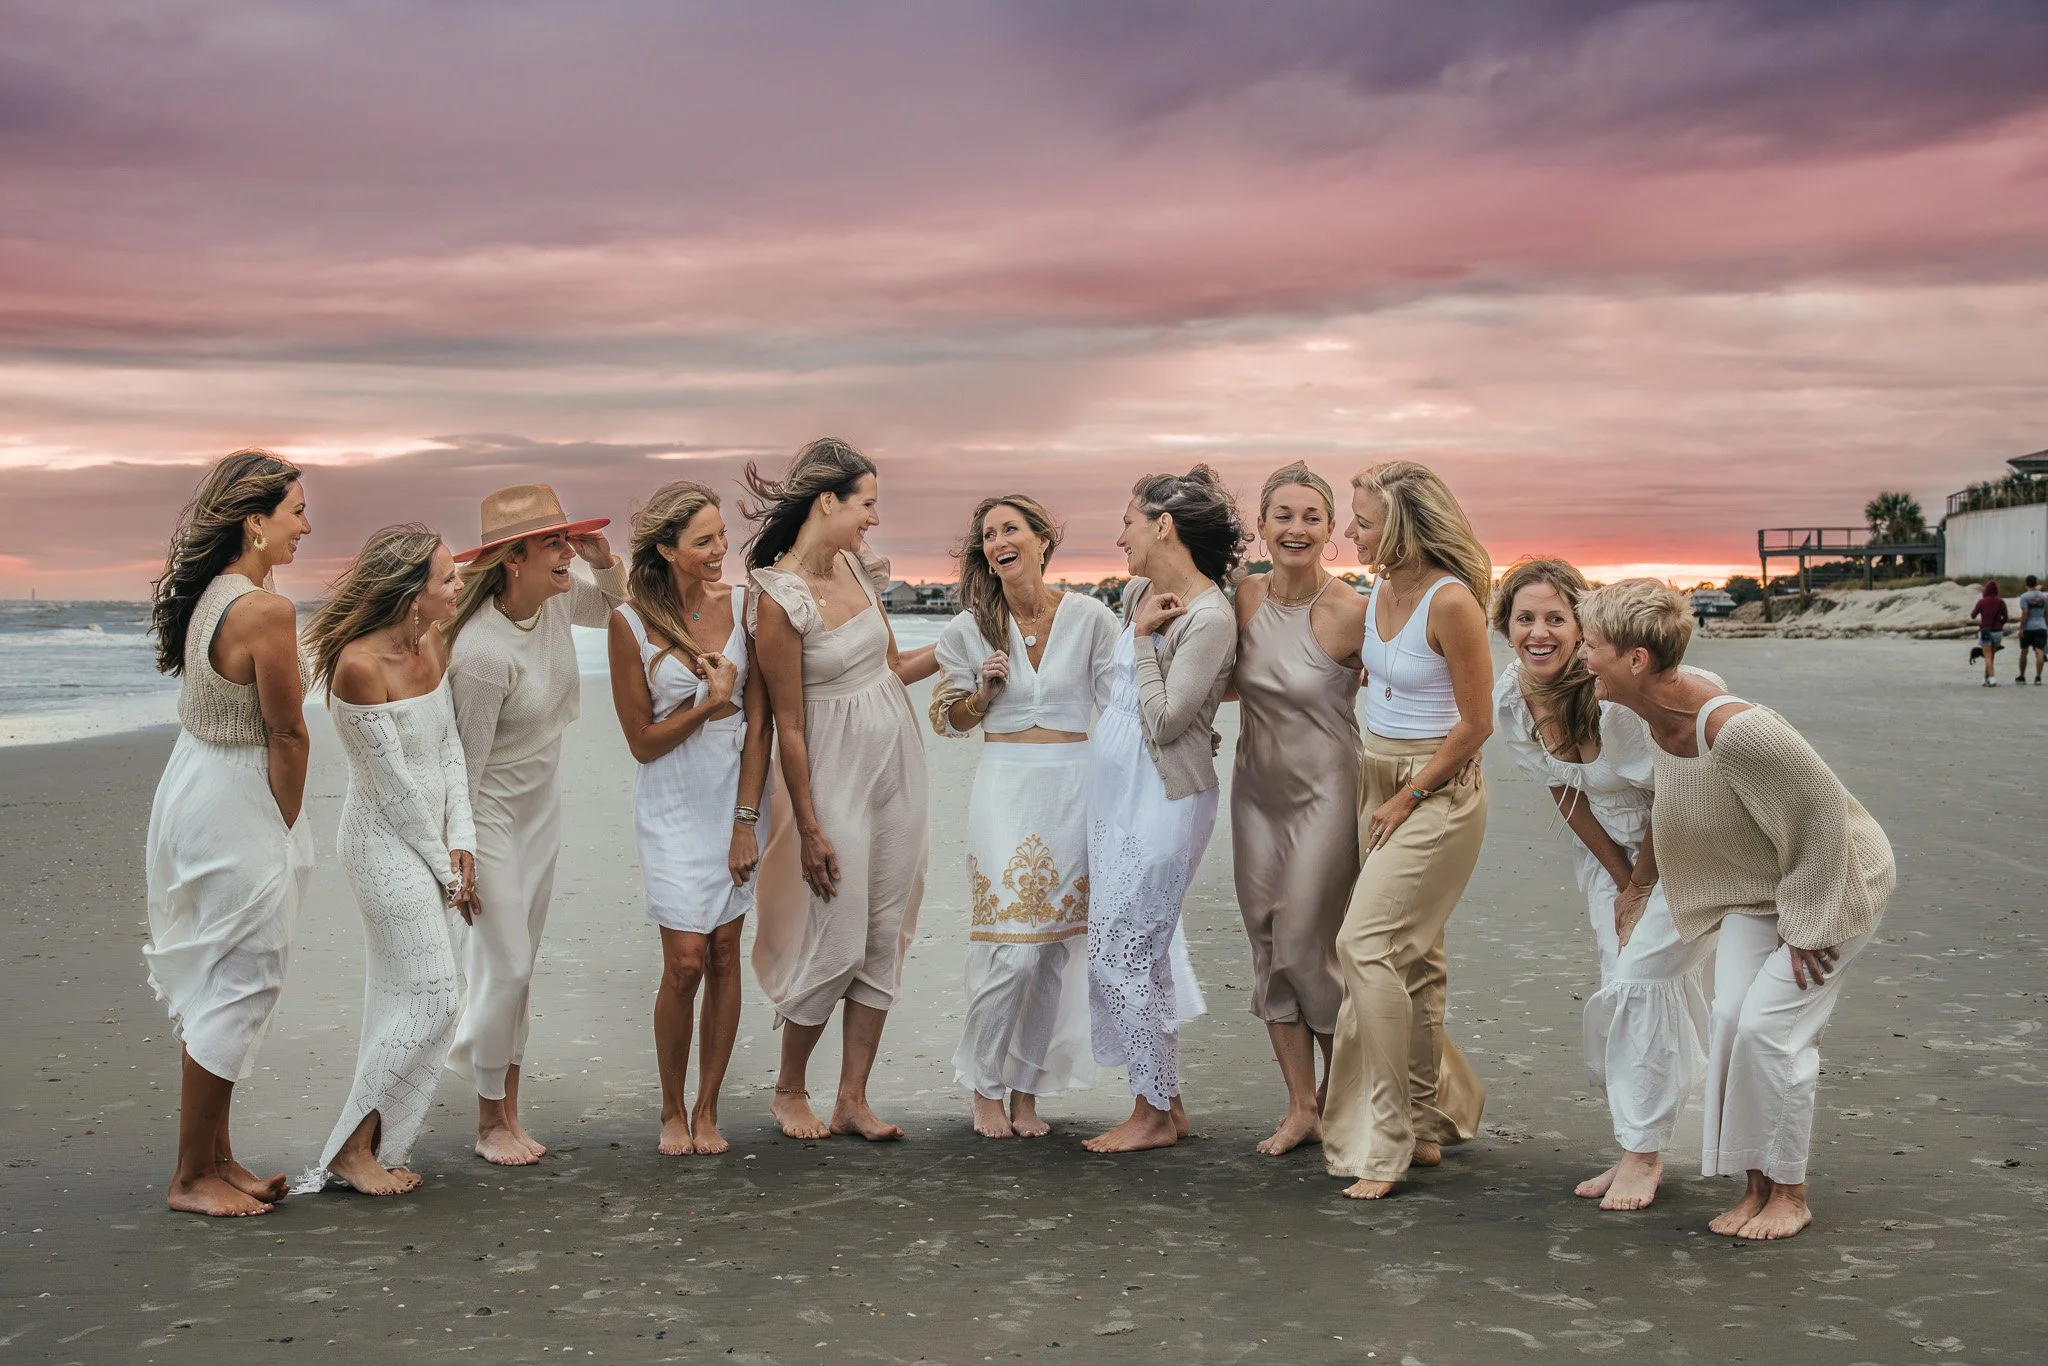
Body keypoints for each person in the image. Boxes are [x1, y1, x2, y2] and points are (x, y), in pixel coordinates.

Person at [1578, 579, 1894, 1241]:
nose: (1584, 656)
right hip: (1761, 888)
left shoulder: (1734, 727)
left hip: (1837, 883)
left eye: (1592, 645)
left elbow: (1821, 814)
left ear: (1636, 661)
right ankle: (1755, 1186)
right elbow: (1674, 808)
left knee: (1769, 1031)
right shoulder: (1656, 710)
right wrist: (1639, 890)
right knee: (1728, 1018)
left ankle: (1791, 1193)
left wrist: (1812, 924)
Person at [1490, 558, 1714, 1211]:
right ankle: (1637, 1143)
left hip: (1683, 846)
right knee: (1624, 984)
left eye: (1556, 618)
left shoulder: (1616, 694)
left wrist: (1642, 887)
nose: (1540, 632)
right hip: (1609, 856)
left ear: (1581, 623)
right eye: (1524, 617)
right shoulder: (1514, 697)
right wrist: (1618, 881)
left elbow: (1677, 796)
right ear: (1504, 625)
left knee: (1645, 980)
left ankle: (1646, 1153)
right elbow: (1563, 792)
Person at [745, 438, 937, 1142]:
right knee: (837, 927)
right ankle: (789, 1089)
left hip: (896, 765)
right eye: (868, 503)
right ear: (828, 501)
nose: (874, 519)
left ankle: (853, 1097)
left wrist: (963, 651)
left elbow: (889, 666)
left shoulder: (856, 568)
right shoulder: (776, 596)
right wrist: (809, 825)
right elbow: (787, 727)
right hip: (832, 776)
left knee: (886, 929)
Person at [143, 450, 314, 1217]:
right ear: (255, 520)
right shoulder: (263, 610)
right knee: (244, 973)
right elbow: (286, 733)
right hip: (236, 793)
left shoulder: (221, 591)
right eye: (296, 511)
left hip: (194, 779)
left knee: (225, 963)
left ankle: (218, 1156)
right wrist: (282, 825)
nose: (307, 525)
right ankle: (189, 1177)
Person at [1322, 459, 1492, 1200]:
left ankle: (1385, 1141)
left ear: (1399, 523)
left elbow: (1476, 723)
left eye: (1360, 520)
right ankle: (1426, 1122)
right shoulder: (1383, 591)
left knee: (1364, 946)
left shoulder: (1452, 603)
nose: (1347, 532)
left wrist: (1408, 796)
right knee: (1415, 961)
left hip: (1440, 790)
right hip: (1377, 776)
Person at [445, 484, 627, 1165]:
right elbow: (463, 764)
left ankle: (507, 1113)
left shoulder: (553, 603)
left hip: (541, 805)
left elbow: (617, 606)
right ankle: (488, 1119)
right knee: (507, 964)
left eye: (566, 539)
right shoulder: (481, 653)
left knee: (519, 969)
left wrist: (604, 561)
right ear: (512, 558)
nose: (566, 551)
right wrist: (457, 853)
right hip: (488, 810)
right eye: (553, 542)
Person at [930, 495, 1120, 1138]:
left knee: (1053, 952)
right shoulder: (968, 630)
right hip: (1005, 785)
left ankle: (1027, 1089)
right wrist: (981, 695)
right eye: (987, 535)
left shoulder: (1093, 617)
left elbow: (1118, 706)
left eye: (1011, 529)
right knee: (1009, 946)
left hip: (1075, 785)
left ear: (1043, 540)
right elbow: (946, 720)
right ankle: (984, 1085)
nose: (998, 542)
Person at [301, 525, 477, 1196]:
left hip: (434, 843)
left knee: (428, 996)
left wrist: (462, 838)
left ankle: (381, 1142)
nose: (460, 587)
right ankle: (349, 1149)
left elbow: (449, 748)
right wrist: (445, 872)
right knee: (432, 994)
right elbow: (395, 793)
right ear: (412, 594)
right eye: (447, 579)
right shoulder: (358, 667)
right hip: (383, 847)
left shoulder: (432, 643)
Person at [607, 481, 773, 1157]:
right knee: (684, 961)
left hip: (731, 797)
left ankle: (708, 1109)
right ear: (667, 548)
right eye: (703, 540)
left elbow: (757, 723)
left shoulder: (742, 609)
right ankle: (670, 1108)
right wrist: (708, 704)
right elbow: (642, 742)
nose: (719, 550)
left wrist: (745, 822)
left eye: (721, 537)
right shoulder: (629, 623)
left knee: (726, 952)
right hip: (670, 802)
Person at [1083, 466, 1244, 1154]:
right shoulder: (1137, 591)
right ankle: (1164, 1103)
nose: (1120, 535)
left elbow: (1171, 719)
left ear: (1163, 525)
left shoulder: (1209, 615)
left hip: (1165, 793)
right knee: (1133, 950)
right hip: (1114, 792)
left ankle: (1149, 1113)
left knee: (1124, 947)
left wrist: (1148, 641)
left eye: (1128, 521)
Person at [1227, 462, 1367, 1156]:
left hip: (1328, 791)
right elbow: (1218, 681)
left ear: (1331, 529)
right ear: (1261, 525)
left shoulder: (1353, 611)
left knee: (1308, 946)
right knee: (1265, 943)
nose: (1296, 528)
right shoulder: (1242, 598)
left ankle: (1348, 1101)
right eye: (1282, 515)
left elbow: (1411, 688)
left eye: (1311, 516)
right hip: (1255, 792)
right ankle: (1301, 1107)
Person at [1970, 580, 2007, 687]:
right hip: (1998, 632)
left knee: (1987, 657)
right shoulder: (2001, 602)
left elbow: (1973, 615)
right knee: (1991, 657)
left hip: (1985, 631)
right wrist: (1999, 624)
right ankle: (1986, 679)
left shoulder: (1981, 601)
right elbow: (2006, 618)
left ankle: (1992, 679)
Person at [2015, 575, 2045, 685]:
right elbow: (2046, 612)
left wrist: (2021, 628)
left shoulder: (2024, 597)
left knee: (2024, 651)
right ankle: (2038, 677)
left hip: (2028, 627)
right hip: (2041, 626)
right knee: (2039, 651)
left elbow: (2025, 612)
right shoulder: (2044, 596)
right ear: (2036, 583)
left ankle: (2022, 676)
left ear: (2026, 583)